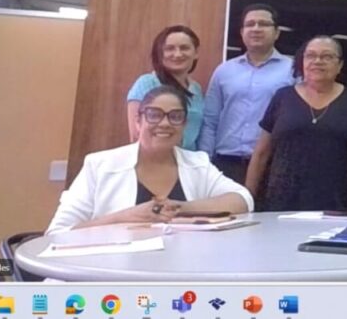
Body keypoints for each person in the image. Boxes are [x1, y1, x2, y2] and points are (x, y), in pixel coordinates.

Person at [48, 86, 252, 234]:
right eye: (154, 115)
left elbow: (243, 199)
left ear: (184, 125)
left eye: (175, 116)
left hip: (183, 273)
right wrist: (123, 217)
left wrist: (180, 208)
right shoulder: (99, 165)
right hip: (110, 275)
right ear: (138, 121)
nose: (165, 123)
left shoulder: (198, 163)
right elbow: (57, 233)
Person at [245, 35, 347, 212]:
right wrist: (247, 199)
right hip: (282, 203)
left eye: (327, 56)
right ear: (302, 62)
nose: (317, 61)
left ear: (340, 65)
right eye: (310, 55)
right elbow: (261, 153)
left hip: (335, 202)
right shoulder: (283, 97)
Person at [197, 4, 294, 184]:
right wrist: (205, 162)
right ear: (242, 32)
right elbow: (210, 120)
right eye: (250, 24)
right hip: (226, 164)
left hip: (271, 165)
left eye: (263, 24)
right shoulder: (224, 71)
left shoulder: (293, 71)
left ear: (277, 33)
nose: (256, 29)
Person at [126, 25, 204, 150]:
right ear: (160, 53)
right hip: (156, 158)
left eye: (184, 48)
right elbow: (136, 135)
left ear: (196, 53)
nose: (177, 54)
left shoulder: (196, 89)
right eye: (169, 48)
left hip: (190, 159)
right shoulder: (146, 83)